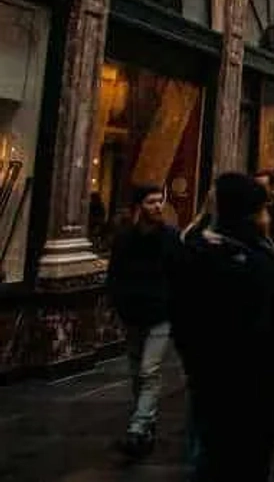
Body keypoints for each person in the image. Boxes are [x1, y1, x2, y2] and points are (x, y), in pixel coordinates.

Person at [169, 173, 274, 482]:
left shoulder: (196, 249)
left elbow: (181, 315)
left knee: (210, 450)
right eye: (263, 209)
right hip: (250, 378)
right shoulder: (257, 257)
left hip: (208, 372)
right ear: (252, 213)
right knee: (245, 455)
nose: (268, 216)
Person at [106, 184, 180, 458]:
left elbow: (178, 274)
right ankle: (146, 422)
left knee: (150, 371)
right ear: (139, 206)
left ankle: (137, 427)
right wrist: (119, 303)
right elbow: (115, 274)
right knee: (137, 372)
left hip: (160, 314)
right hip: (133, 313)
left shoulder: (171, 237)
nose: (158, 206)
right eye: (151, 202)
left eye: (160, 201)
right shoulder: (125, 239)